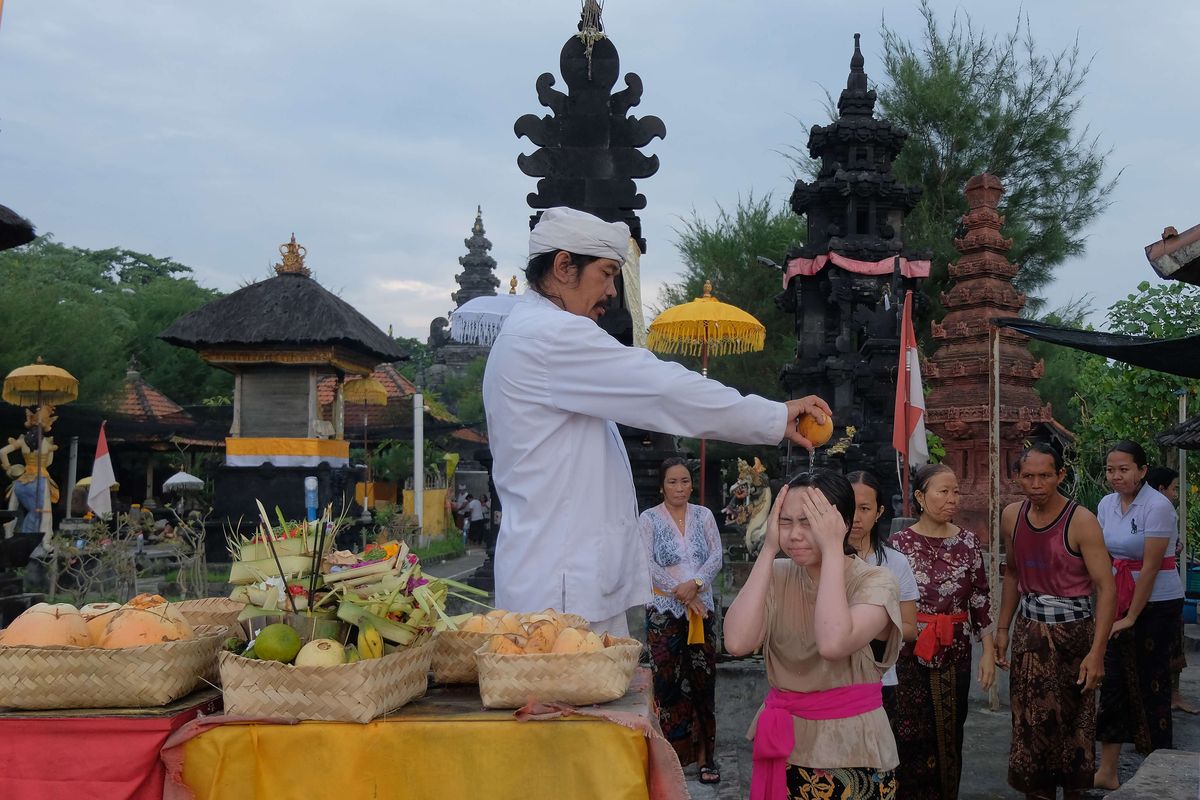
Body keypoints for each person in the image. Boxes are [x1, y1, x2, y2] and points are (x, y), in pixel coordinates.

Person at [482, 207, 830, 635]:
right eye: (606, 274)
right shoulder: (550, 335)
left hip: (562, 583)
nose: (611, 292)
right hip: (561, 594)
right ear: (564, 266)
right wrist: (773, 416)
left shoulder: (533, 333)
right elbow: (664, 391)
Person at [724, 470, 901, 800]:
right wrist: (768, 549)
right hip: (787, 748)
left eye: (809, 522)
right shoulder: (777, 574)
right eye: (786, 522)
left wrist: (833, 549)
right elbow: (737, 642)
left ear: (841, 524)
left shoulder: (875, 581)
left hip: (854, 752)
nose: (794, 535)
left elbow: (833, 643)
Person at [994, 443, 1115, 800]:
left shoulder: (1081, 521)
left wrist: (1097, 652)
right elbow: (1012, 573)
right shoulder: (1012, 516)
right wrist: (1003, 628)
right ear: (1017, 478)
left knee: (1074, 726)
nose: (1036, 484)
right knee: (1029, 724)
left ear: (1060, 475)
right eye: (1028, 476)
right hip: (1029, 633)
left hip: (1074, 635)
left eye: (1045, 476)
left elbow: (1106, 588)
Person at [889, 463, 995, 800]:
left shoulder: (968, 542)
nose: (952, 499)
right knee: (907, 733)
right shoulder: (898, 545)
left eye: (956, 491)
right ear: (921, 497)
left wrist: (989, 652)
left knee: (949, 734)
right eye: (943, 491)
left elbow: (980, 599)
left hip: (955, 650)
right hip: (908, 651)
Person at [1093, 441, 1186, 789]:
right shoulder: (1106, 504)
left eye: (1124, 469)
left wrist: (1132, 615)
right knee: (1113, 681)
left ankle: (1159, 770)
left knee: (1152, 684)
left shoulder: (1157, 506)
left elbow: (1149, 568)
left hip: (1156, 604)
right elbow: (1102, 555)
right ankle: (1107, 770)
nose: (1116, 476)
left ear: (1142, 470)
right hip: (1117, 598)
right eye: (1110, 470)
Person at [639, 457, 723, 783]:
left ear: (691, 484)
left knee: (703, 681)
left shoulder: (704, 516)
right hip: (663, 611)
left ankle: (705, 757)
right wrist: (682, 593)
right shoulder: (649, 519)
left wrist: (696, 584)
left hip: (701, 610)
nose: (679, 487)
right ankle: (669, 759)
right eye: (672, 482)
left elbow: (716, 556)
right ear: (662, 486)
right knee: (666, 684)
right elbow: (646, 563)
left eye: (685, 481)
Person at [846, 471, 917, 725]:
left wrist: (863, 629)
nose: (855, 517)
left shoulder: (895, 563)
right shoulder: (820, 561)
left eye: (865, 508)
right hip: (828, 679)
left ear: (879, 512)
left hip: (879, 679)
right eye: (849, 507)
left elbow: (910, 629)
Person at [1146, 465, 1196, 715]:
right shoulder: (1156, 510)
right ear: (1160, 488)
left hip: (1167, 588)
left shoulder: (1165, 512)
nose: (1176, 494)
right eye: (1174, 489)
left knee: (1172, 644)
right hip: (1154, 589)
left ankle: (1173, 694)